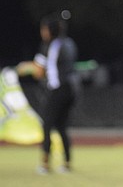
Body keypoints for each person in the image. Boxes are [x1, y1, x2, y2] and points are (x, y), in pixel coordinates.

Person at [16, 9, 79, 174]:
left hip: (57, 89)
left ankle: (45, 164)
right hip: (72, 89)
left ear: (49, 30)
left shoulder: (49, 45)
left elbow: (38, 71)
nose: (42, 32)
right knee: (62, 126)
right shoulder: (69, 43)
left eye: (44, 29)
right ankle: (66, 163)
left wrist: (22, 68)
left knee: (47, 125)